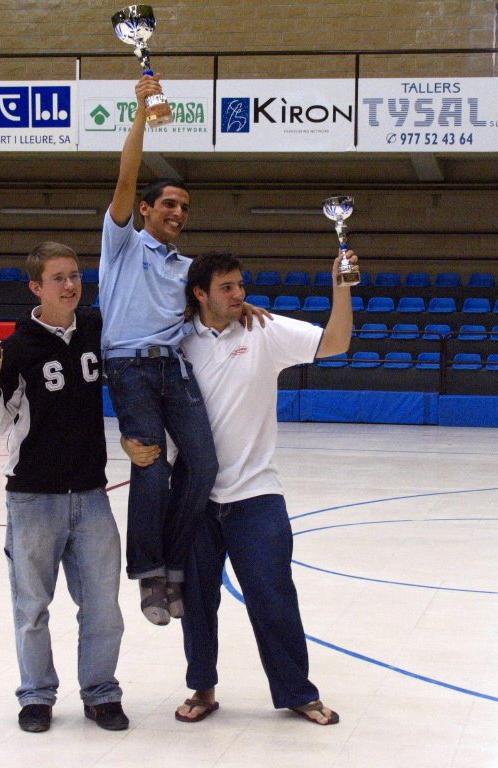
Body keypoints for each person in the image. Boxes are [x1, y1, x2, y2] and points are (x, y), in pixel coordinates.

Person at [126, 249, 357, 726]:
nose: (239, 295)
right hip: (194, 496)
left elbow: (336, 342)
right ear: (200, 293)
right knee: (197, 602)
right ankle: (202, 688)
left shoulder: (263, 330)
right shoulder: (176, 343)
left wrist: (341, 286)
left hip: (257, 495)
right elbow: (140, 388)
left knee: (274, 597)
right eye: (227, 288)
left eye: (240, 286)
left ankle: (297, 692)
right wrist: (134, 437)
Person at [0, 242, 155, 734]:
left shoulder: (95, 328)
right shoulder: (16, 348)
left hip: (92, 495)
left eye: (75, 276)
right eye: (59, 278)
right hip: (33, 498)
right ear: (36, 287)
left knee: (103, 607)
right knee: (32, 607)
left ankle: (101, 692)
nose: (71, 285)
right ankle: (35, 695)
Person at [98, 72, 220, 627]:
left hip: (176, 371)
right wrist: (142, 114)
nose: (178, 212)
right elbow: (127, 177)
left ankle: (174, 561)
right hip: (129, 367)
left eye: (185, 207)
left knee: (204, 463)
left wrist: (243, 306)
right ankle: (150, 572)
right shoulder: (122, 244)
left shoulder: (187, 268)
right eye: (169, 203)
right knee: (150, 466)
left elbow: (212, 305)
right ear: (145, 210)